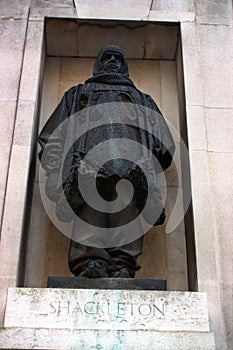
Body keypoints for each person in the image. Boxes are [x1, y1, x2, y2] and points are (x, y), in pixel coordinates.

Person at [38, 45, 175, 278]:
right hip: (87, 170)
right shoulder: (77, 95)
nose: (112, 60)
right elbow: (53, 137)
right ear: (98, 63)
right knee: (89, 213)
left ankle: (123, 264)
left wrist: (146, 161)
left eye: (117, 57)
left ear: (125, 65)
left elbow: (164, 144)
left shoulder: (143, 100)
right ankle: (90, 262)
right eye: (107, 57)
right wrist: (56, 168)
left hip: (130, 172)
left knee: (127, 215)